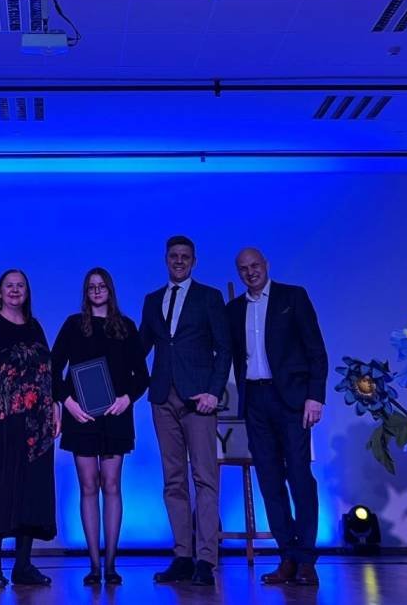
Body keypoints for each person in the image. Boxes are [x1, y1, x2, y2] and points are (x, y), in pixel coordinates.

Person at [228, 247, 328, 587]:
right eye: (243, 268)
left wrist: (315, 396)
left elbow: (316, 350)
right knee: (269, 480)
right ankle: (287, 556)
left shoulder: (292, 297)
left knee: (299, 477)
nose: (250, 272)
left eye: (255, 265)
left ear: (266, 265)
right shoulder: (234, 309)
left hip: (292, 401)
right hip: (255, 401)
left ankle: (306, 559)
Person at [140, 235, 231, 586]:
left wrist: (214, 392)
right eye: (174, 256)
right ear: (166, 259)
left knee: (205, 478)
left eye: (185, 257)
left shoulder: (209, 297)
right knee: (173, 479)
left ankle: (206, 560)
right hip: (163, 398)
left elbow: (224, 349)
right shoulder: (152, 300)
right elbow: (138, 349)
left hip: (199, 399)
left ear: (194, 261)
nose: (179, 261)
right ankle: (182, 556)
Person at [0, 268, 59, 588]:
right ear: (0, 292)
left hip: (34, 425)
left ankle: (23, 566)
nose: (15, 290)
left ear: (27, 292)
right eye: (9, 286)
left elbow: (46, 374)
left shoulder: (34, 326)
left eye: (20, 286)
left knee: (29, 493)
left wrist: (54, 409)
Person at [51, 267, 150, 586]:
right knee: (88, 486)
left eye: (102, 285)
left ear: (110, 289)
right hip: (80, 416)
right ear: (86, 291)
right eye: (91, 286)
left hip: (115, 416)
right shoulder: (72, 325)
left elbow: (141, 376)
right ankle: (94, 565)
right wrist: (68, 403)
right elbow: (52, 369)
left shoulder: (126, 327)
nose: (96, 290)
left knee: (112, 486)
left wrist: (126, 399)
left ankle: (111, 564)